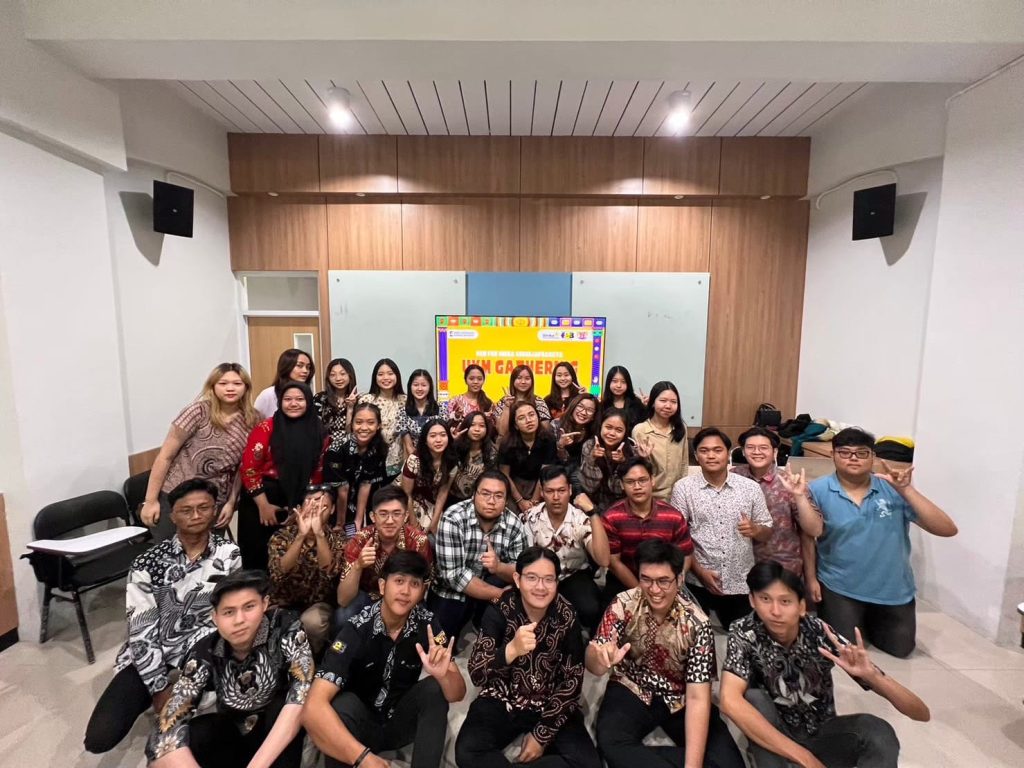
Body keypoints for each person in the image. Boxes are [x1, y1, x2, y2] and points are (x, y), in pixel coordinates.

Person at [719, 561, 930, 768]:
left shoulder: (819, 631)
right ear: (752, 601)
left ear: (801, 606)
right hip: (775, 739)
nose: (775, 611)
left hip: (820, 733)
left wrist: (873, 676)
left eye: (785, 601)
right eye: (765, 599)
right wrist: (805, 758)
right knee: (755, 699)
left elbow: (921, 713)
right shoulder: (744, 631)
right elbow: (729, 701)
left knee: (877, 731)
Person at [84, 478, 241, 754]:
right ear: (172, 516)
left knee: (198, 725)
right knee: (100, 737)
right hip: (155, 648)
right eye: (186, 510)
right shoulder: (147, 564)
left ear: (214, 510)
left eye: (204, 508)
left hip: (203, 648)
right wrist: (158, 687)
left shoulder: (229, 554)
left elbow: (229, 611)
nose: (196, 515)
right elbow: (141, 630)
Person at [587, 540, 744, 768]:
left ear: (679, 579)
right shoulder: (623, 603)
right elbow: (594, 663)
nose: (654, 590)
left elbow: (698, 697)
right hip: (632, 686)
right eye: (646, 579)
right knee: (610, 743)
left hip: (681, 695)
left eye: (663, 581)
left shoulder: (697, 623)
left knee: (730, 763)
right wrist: (600, 658)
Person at [304, 552, 467, 768]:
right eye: (399, 581)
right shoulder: (356, 629)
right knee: (342, 705)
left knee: (434, 689)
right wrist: (363, 757)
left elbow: (457, 694)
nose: (405, 591)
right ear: (382, 586)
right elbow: (312, 707)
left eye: (415, 584)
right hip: (358, 729)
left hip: (399, 722)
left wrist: (444, 676)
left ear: (422, 592)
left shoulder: (428, 624)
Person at [806, 427, 956, 658]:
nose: (853, 458)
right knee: (844, 648)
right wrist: (811, 578)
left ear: (873, 457)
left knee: (901, 649)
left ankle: (868, 618)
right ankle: (854, 616)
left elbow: (947, 529)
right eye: (844, 452)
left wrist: (906, 490)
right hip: (840, 584)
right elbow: (808, 536)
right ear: (833, 455)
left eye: (861, 453)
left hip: (892, 588)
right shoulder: (818, 490)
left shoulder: (892, 488)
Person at [146, 570, 313, 768]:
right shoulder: (205, 651)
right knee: (197, 731)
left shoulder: (285, 626)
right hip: (235, 738)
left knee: (283, 704)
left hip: (279, 736)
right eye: (228, 612)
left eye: (249, 607)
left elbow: (302, 692)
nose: (239, 620)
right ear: (215, 617)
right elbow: (165, 729)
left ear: (265, 604)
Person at [455, 547, 601, 768]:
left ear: (557, 582)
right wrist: (510, 650)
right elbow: (477, 673)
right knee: (467, 752)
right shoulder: (501, 609)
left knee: (588, 764)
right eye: (531, 578)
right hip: (502, 697)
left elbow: (572, 680)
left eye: (548, 579)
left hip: (550, 699)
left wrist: (542, 735)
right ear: (517, 579)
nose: (540, 587)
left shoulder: (567, 615)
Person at [139, 362, 260, 542]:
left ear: (246, 387)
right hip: (177, 495)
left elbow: (242, 467)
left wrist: (231, 502)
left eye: (237, 383)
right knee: (171, 551)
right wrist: (150, 501)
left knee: (209, 552)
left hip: (215, 500)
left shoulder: (253, 418)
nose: (230, 388)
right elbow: (165, 456)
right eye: (223, 383)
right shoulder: (198, 412)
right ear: (213, 386)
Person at [670, 427, 774, 630]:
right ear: (696, 456)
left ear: (728, 454)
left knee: (738, 633)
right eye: (704, 450)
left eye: (717, 450)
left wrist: (756, 530)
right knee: (696, 632)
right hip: (697, 579)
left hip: (740, 580)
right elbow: (678, 538)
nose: (711, 455)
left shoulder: (750, 488)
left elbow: (767, 530)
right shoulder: (683, 488)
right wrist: (700, 572)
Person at [239, 381, 330, 571]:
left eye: (299, 399)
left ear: (308, 402)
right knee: (257, 556)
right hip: (260, 498)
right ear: (280, 402)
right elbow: (249, 468)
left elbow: (317, 473)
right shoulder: (266, 428)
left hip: (298, 500)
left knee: (291, 555)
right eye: (288, 399)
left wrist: (299, 509)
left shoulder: (318, 431)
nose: (293, 403)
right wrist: (263, 505)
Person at [430, 470, 528, 646]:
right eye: (485, 494)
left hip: (489, 580)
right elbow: (454, 575)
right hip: (451, 589)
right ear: (474, 495)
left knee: (517, 604)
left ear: (506, 501)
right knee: (441, 642)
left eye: (498, 496)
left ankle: (481, 622)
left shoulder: (514, 524)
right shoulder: (453, 518)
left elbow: (522, 570)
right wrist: (500, 595)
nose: (491, 501)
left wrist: (499, 567)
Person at [523, 466, 609, 632]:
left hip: (574, 574)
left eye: (561, 490)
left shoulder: (580, 519)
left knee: (590, 608)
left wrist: (592, 513)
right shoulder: (531, 518)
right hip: (540, 575)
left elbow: (603, 560)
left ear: (570, 490)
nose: (556, 497)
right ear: (542, 492)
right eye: (550, 491)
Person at [731, 427, 823, 577]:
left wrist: (799, 495)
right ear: (743, 451)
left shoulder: (789, 482)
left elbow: (814, 531)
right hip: (740, 567)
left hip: (781, 567)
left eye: (763, 448)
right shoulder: (734, 476)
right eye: (750, 447)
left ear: (774, 452)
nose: (756, 452)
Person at [336, 486, 433, 626]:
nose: (390, 521)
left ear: (406, 516)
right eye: (383, 514)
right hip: (367, 596)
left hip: (404, 596)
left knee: (423, 621)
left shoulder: (418, 542)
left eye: (396, 514)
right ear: (372, 517)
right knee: (343, 616)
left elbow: (422, 587)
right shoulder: (360, 540)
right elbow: (342, 599)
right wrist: (358, 566)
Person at [601, 457, 693, 604]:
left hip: (664, 582)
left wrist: (675, 581)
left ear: (652, 480)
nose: (637, 486)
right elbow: (614, 562)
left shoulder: (673, 516)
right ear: (622, 485)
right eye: (630, 482)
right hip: (623, 580)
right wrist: (642, 590)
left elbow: (686, 554)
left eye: (642, 480)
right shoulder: (611, 517)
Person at [267, 485, 346, 653]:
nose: (315, 511)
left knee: (312, 622)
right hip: (283, 602)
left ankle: (312, 661)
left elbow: (330, 572)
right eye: (310, 505)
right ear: (299, 509)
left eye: (322, 507)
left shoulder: (338, 539)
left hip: (318, 605)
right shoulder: (281, 536)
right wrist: (301, 536)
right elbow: (279, 572)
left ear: (332, 509)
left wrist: (319, 535)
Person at [324, 402, 389, 533]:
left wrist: (358, 521)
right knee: (335, 534)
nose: (364, 427)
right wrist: (340, 523)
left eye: (370, 423)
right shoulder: (337, 448)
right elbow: (342, 489)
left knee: (355, 531)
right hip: (332, 500)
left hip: (357, 500)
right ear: (352, 424)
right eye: (358, 422)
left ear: (379, 425)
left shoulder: (379, 448)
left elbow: (366, 484)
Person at [498, 400, 558, 516]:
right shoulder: (507, 443)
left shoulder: (548, 439)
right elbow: (504, 474)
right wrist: (520, 501)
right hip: (513, 486)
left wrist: (534, 501)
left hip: (540, 484)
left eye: (531, 415)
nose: (528, 420)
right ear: (515, 425)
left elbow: (544, 473)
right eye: (521, 418)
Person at [631, 380, 688, 501]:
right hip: (651, 497)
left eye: (673, 402)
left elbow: (684, 463)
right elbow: (637, 469)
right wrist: (643, 458)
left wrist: (684, 493)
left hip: (677, 496)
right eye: (663, 400)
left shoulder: (680, 428)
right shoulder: (640, 430)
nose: (668, 406)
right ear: (652, 402)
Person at [400, 418, 457, 533]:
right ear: (425, 440)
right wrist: (413, 523)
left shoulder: (452, 461)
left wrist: (434, 522)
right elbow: (406, 494)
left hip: (432, 501)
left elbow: (443, 492)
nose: (438, 440)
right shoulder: (414, 460)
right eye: (433, 436)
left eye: (443, 435)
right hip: (408, 501)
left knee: (438, 532)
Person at [575, 407, 634, 515]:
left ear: (625, 432)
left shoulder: (630, 451)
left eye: (619, 430)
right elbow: (588, 486)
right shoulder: (589, 446)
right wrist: (592, 459)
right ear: (601, 426)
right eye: (608, 427)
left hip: (621, 507)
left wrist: (623, 462)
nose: (612, 433)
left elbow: (620, 490)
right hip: (591, 503)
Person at [357, 358, 408, 481]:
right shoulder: (366, 400)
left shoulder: (405, 401)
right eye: (380, 374)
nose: (386, 378)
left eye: (390, 373)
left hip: (398, 460)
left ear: (397, 376)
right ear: (375, 377)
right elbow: (357, 429)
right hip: (371, 458)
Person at [449, 411, 499, 504]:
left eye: (481, 426)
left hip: (478, 500)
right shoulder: (456, 447)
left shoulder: (492, 453)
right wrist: (453, 442)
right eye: (472, 425)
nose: (477, 429)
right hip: (452, 498)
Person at [399, 368, 450, 456]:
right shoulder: (403, 412)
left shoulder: (441, 408)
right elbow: (408, 446)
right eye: (416, 385)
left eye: (424, 385)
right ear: (410, 387)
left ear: (430, 387)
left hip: (440, 456)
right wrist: (418, 461)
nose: (419, 388)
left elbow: (445, 438)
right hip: (415, 458)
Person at [254, 348, 315, 419]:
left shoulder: (307, 393)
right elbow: (255, 422)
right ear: (287, 367)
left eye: (308, 367)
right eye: (299, 366)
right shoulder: (268, 394)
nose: (305, 371)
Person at [493, 365, 551, 437]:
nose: (523, 382)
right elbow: (502, 432)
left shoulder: (539, 402)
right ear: (513, 380)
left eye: (527, 378)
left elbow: (545, 430)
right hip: (509, 442)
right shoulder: (503, 401)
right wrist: (507, 407)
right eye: (519, 378)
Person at [314, 357, 359, 442]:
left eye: (342, 374)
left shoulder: (359, 400)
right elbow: (315, 427)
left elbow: (352, 433)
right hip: (324, 445)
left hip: (348, 445)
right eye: (333, 375)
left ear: (350, 376)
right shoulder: (320, 398)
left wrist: (350, 408)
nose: (338, 378)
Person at [551, 392, 598, 469]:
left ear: (593, 416)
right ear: (573, 407)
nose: (583, 412)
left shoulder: (593, 433)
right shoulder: (556, 424)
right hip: (556, 470)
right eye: (580, 406)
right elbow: (552, 460)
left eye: (590, 410)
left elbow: (587, 466)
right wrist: (560, 446)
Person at [600, 366, 647, 432]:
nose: (619, 385)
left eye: (623, 382)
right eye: (615, 381)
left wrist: (648, 406)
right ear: (609, 383)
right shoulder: (602, 405)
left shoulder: (636, 403)